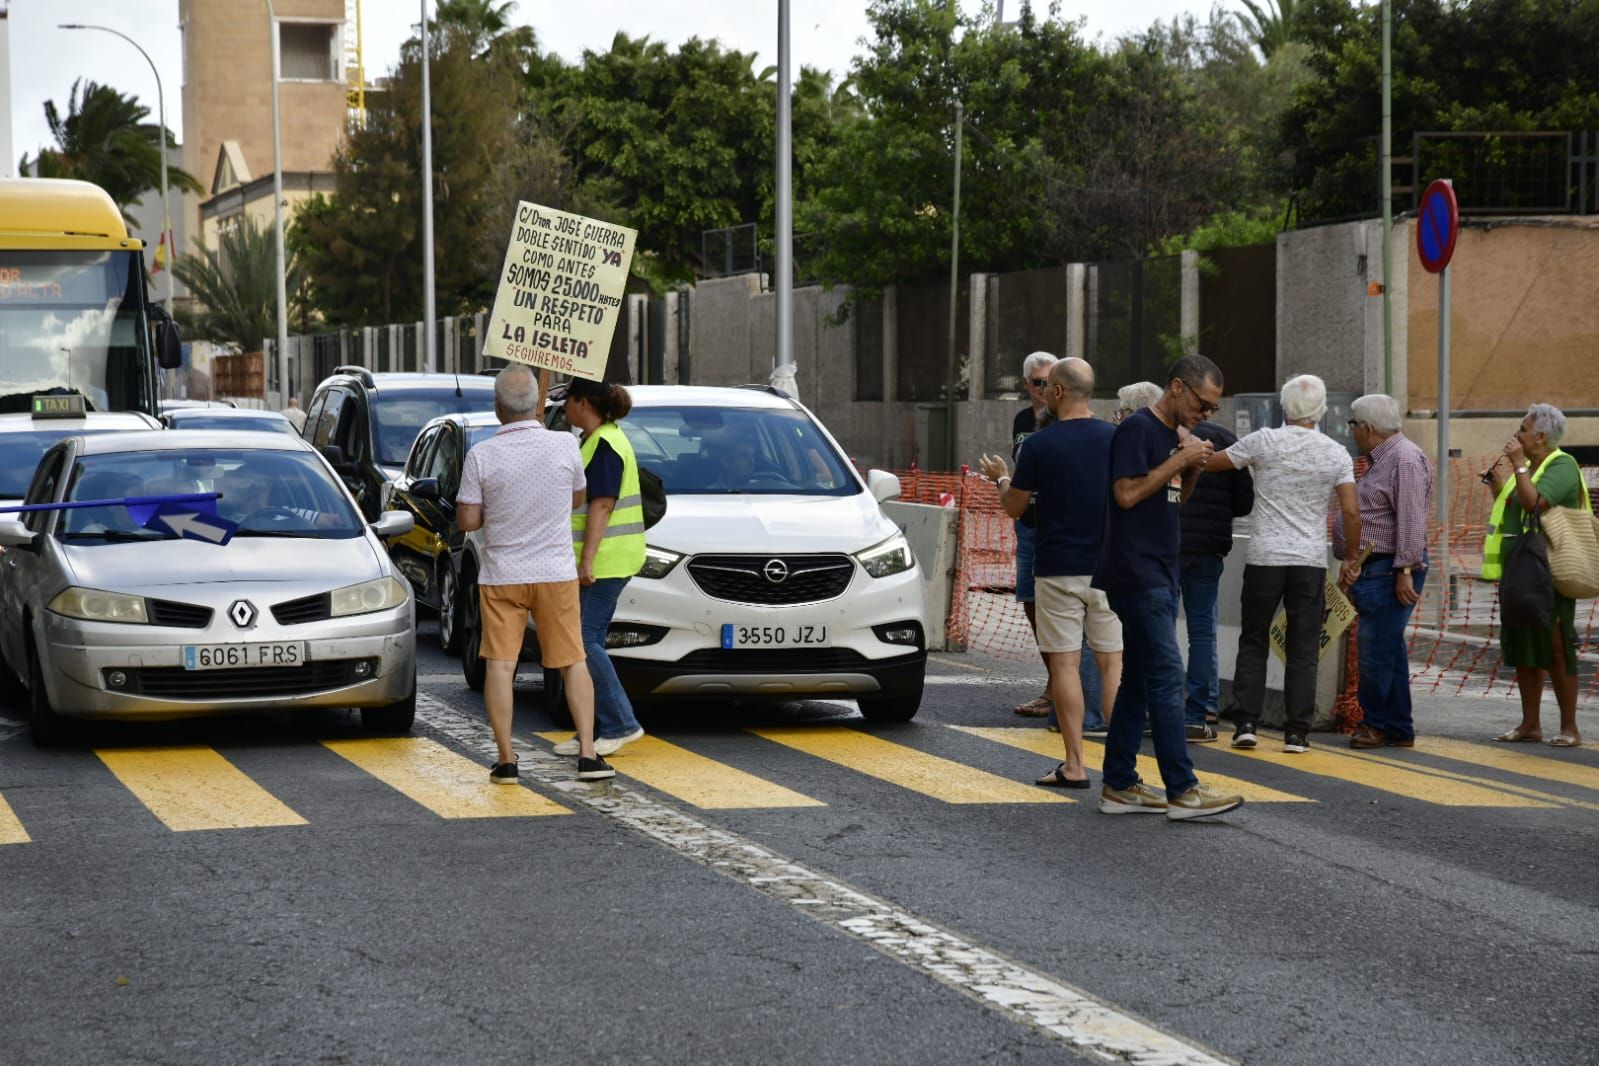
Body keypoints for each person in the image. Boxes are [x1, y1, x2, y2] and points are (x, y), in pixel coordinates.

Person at [1092, 354, 1244, 819]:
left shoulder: (1173, 436)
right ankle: (1183, 788)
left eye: (1214, 408)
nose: (1206, 414)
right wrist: (1180, 457)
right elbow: (1126, 494)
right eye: (1203, 403)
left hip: (1159, 567)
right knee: (1165, 678)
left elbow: (1173, 500)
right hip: (1137, 572)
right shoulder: (1139, 429)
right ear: (1177, 387)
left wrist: (1193, 466)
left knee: (1138, 681)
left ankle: (1119, 784)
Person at [456, 364, 615, 783]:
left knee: (501, 666)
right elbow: (578, 498)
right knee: (572, 661)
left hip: (502, 574)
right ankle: (587, 754)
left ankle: (507, 760)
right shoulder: (565, 446)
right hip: (554, 572)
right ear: (539, 403)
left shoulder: (481, 456)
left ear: (497, 409)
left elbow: (468, 521)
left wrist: (496, 507)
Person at [980, 357, 1122, 788]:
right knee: (1111, 664)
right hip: (1109, 568)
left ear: (1058, 392)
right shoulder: (1117, 439)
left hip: (1057, 568)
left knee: (1064, 666)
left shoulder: (1040, 445)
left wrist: (1002, 479)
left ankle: (1075, 764)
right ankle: (1121, 768)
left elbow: (1015, 508)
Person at [1204, 374, 1357, 753]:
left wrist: (1192, 448)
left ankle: (1246, 724)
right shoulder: (1335, 452)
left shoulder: (1264, 441)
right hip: (1309, 560)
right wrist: (1351, 554)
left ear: (1284, 407)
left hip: (1264, 556)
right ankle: (1297, 732)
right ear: (1321, 410)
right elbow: (1351, 512)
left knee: (1254, 638)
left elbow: (1213, 463)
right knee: (1304, 645)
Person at [552, 377, 648, 759]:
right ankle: (590, 730)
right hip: (606, 558)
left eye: (568, 402)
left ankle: (621, 723)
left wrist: (586, 560)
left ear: (583, 404)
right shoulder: (597, 440)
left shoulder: (605, 444)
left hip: (606, 560)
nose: (565, 410)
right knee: (581, 641)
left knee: (582, 641)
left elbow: (602, 505)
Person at [1332, 393, 1433, 749]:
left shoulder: (1403, 459)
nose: (1351, 432)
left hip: (1390, 569)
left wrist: (1405, 567)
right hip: (1378, 568)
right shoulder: (1383, 459)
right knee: (1388, 648)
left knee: (1374, 649)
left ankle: (1375, 723)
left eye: (1353, 425)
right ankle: (1398, 726)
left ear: (1368, 428)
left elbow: (1411, 518)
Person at [1481, 404, 1585, 748]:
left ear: (1540, 436)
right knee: (1523, 644)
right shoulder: (1528, 469)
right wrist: (1500, 485)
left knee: (1555, 646)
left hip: (1549, 570)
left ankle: (1570, 727)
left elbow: (1535, 505)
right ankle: (1530, 724)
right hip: (1520, 571)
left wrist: (1517, 465)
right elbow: (1515, 509)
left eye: (1523, 429)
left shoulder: (1562, 465)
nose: (1517, 435)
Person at [1179, 407, 1254, 742]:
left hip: (1168, 544)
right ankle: (1201, 709)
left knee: (1160, 626)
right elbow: (1244, 502)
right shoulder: (1225, 439)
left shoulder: (1167, 435)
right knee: (1202, 630)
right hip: (1209, 547)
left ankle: (1161, 705)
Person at [1008, 351, 1058, 719]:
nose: (1044, 389)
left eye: (1050, 382)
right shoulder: (1022, 419)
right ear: (1027, 384)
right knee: (1028, 600)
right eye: (1038, 383)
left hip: (1057, 525)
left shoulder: (1064, 419)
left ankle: (1059, 687)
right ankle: (1055, 680)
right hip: (1026, 522)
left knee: (1059, 608)